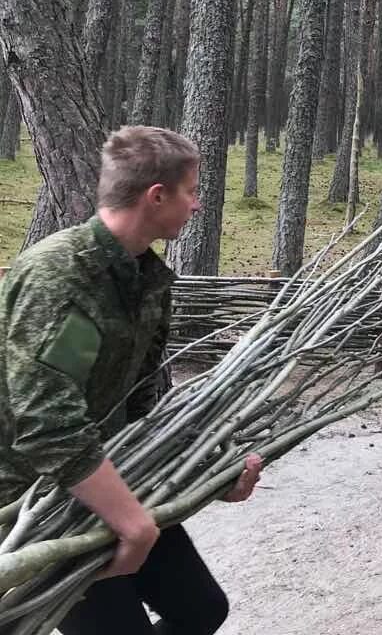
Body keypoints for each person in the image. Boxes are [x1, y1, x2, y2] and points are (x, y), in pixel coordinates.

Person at [0, 126, 262, 635]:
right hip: (44, 498)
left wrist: (211, 474)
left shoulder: (144, 278)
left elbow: (142, 399)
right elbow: (48, 424)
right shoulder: (64, 279)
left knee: (201, 609)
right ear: (156, 196)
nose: (197, 205)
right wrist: (132, 522)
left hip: (115, 475)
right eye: (190, 192)